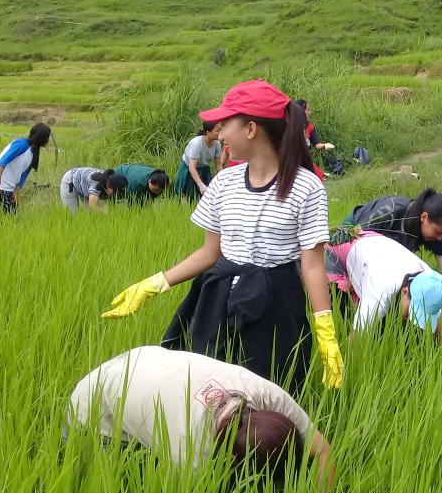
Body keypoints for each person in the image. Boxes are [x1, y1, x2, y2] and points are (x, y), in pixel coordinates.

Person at [101, 80, 344, 392]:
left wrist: (326, 330)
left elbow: (312, 266)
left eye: (227, 122)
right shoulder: (223, 182)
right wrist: (153, 285)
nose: (221, 132)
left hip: (276, 302)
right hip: (217, 296)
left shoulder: (305, 187)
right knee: (207, 390)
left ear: (251, 129)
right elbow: (209, 253)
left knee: (269, 391)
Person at [66, 346, 334, 493]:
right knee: (112, 490)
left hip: (148, 361)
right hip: (94, 404)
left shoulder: (270, 397)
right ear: (233, 463)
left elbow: (323, 451)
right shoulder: (191, 452)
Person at [325, 232, 442, 343]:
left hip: (377, 251)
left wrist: (440, 351)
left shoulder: (432, 284)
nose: (412, 318)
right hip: (340, 251)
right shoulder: (380, 293)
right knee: (343, 318)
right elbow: (357, 336)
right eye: (412, 310)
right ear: (405, 291)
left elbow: (437, 319)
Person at [339, 189, 442, 298]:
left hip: (384, 250)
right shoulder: (390, 213)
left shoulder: (436, 235)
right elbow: (357, 244)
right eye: (438, 232)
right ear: (424, 217)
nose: (440, 238)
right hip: (350, 237)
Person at [0, 123, 52, 213]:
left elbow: (24, 174)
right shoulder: (22, 144)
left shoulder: (34, 152)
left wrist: (16, 190)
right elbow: (2, 161)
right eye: (47, 137)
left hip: (9, 187)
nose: (48, 140)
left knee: (12, 216)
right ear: (42, 138)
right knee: (8, 217)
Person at [175, 121, 222, 199]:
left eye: (221, 130)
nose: (220, 133)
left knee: (210, 193)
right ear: (208, 132)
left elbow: (219, 164)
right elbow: (192, 167)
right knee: (192, 196)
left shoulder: (217, 144)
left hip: (204, 168)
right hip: (189, 169)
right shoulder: (196, 143)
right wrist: (200, 184)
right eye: (217, 131)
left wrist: (222, 177)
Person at [59, 167, 128, 212]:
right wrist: (106, 212)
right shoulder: (96, 185)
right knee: (72, 213)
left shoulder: (110, 181)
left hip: (85, 185)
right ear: (110, 188)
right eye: (115, 192)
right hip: (70, 181)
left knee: (93, 215)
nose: (116, 195)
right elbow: (92, 207)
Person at [294, 99, 330, 181]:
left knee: (319, 176)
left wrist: (325, 145)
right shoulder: (289, 125)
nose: (309, 112)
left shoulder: (310, 127)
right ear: (301, 111)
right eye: (307, 110)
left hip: (305, 161)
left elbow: (317, 145)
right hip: (292, 161)